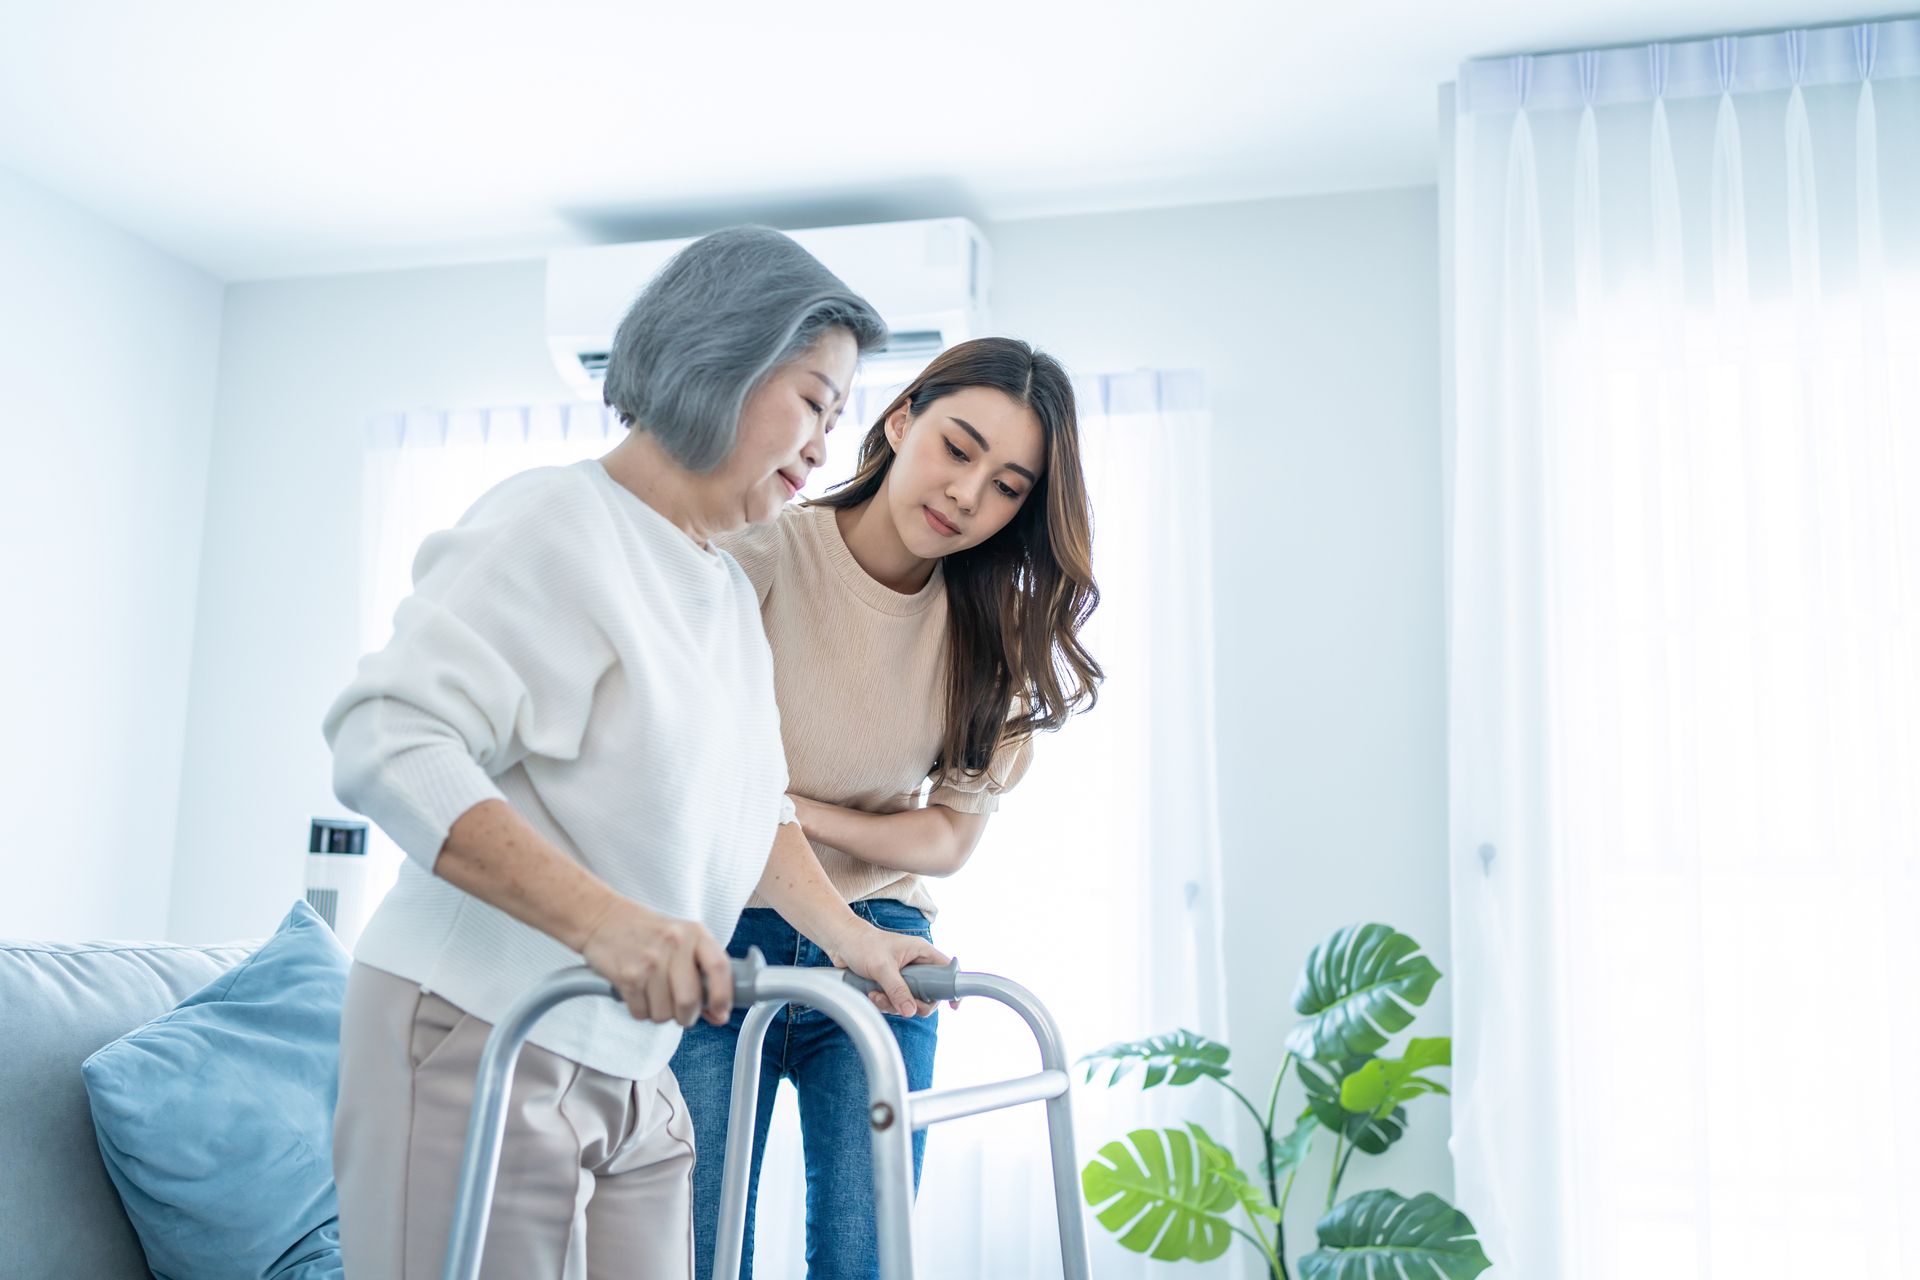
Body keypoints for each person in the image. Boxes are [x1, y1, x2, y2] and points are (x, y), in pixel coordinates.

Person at [322, 226, 947, 1280]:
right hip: (482, 1025)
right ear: (722, 355)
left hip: (632, 1060)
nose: (825, 445)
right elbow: (389, 737)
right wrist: (609, 925)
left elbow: (753, 814)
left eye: (838, 417)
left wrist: (855, 938)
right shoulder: (559, 520)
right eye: (811, 400)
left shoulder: (718, 589)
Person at [671, 336, 1103, 1279]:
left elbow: (945, 838)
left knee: (866, 1260)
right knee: (696, 1256)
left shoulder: (994, 630)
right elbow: (692, 784)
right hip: (717, 933)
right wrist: (768, 813)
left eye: (1008, 486)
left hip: (881, 948)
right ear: (902, 419)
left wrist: (796, 809)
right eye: (958, 447)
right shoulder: (761, 556)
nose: (967, 495)